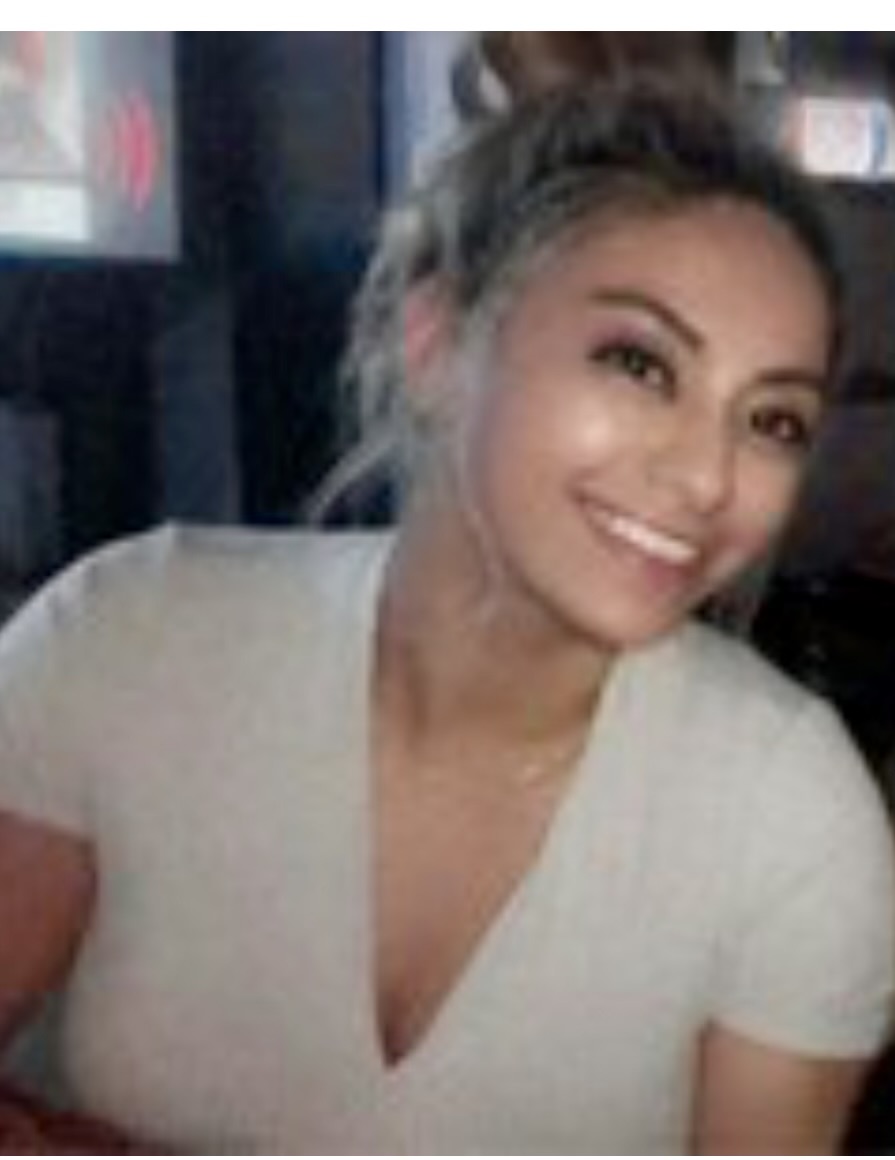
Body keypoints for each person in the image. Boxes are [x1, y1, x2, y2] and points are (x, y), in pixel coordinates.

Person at [0, 77, 892, 1155]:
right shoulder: (132, 634)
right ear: (435, 343)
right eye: (639, 363)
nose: (709, 477)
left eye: (772, 420)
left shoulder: (786, 813)